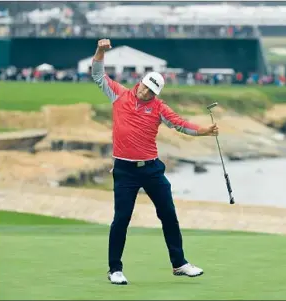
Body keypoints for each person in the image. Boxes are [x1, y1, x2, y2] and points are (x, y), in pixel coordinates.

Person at [91, 39, 219, 285]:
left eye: (151, 92)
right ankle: (114, 269)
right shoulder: (120, 94)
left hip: (151, 169)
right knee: (122, 218)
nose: (146, 93)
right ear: (140, 83)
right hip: (124, 169)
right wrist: (99, 52)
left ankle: (179, 264)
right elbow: (98, 76)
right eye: (145, 88)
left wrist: (204, 131)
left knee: (169, 214)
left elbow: (181, 124)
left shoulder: (159, 107)